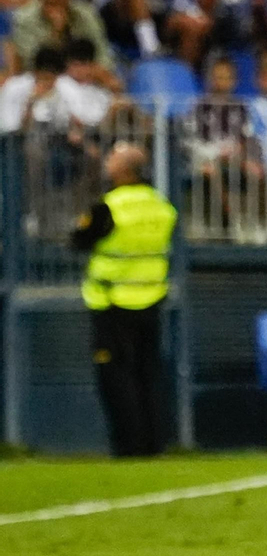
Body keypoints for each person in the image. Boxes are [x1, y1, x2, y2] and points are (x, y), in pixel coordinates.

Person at [71, 141, 178, 459]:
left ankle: (128, 447)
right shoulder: (160, 205)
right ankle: (154, 444)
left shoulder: (109, 207)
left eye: (112, 159)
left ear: (123, 170)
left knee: (117, 378)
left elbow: (79, 240)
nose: (107, 163)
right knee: (149, 373)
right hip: (152, 296)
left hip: (113, 301)